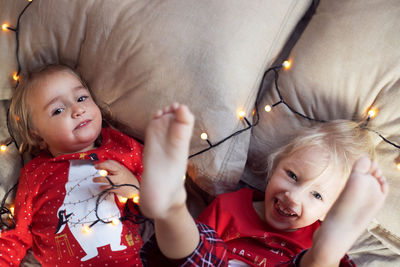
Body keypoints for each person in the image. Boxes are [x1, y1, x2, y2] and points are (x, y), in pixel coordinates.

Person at [138, 103, 389, 267]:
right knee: (195, 250)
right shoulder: (230, 205)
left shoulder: (313, 238)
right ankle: (170, 205)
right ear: (275, 165)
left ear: (328, 213)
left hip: (305, 258)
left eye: (316, 195)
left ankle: (325, 257)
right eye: (292, 175)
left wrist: (320, 251)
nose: (293, 196)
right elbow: (185, 252)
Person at [1, 65, 144, 266]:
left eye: (81, 98)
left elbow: (163, 194)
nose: (78, 109)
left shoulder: (121, 148)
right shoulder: (35, 173)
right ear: (37, 135)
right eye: (58, 110)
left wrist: (135, 188)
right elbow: (19, 233)